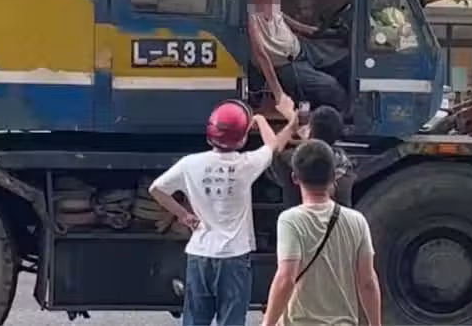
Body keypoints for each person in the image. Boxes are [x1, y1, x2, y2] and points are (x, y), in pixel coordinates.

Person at [149, 100, 298, 326]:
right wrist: (261, 120)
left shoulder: (190, 164)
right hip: (234, 257)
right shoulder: (246, 164)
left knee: (195, 320)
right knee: (232, 320)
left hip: (199, 254)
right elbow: (273, 145)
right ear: (242, 138)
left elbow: (156, 189)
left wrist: (183, 215)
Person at [261, 140, 381, 326]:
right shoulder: (357, 220)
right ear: (334, 176)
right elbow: (367, 282)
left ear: (295, 178)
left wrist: (267, 323)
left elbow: (286, 279)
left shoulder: (291, 220)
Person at [247, 0, 350, 118]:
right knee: (332, 88)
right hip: (288, 66)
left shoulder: (272, 6)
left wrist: (329, 32)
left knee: (343, 59)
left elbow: (300, 27)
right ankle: (344, 118)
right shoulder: (251, 17)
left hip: (303, 49)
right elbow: (261, 55)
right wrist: (279, 94)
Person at [268, 105, 356, 207]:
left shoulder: (293, 159)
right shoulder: (345, 164)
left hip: (299, 216)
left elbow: (272, 152)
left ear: (310, 131)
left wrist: (291, 127)